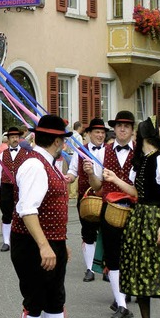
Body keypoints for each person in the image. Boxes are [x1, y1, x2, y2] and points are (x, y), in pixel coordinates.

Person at [102, 116, 160, 318]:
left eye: (137, 135)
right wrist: (115, 179)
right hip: (139, 220)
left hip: (157, 218)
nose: (135, 139)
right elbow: (135, 192)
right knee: (141, 274)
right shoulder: (141, 162)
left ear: (144, 137)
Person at [10, 115, 73, 318]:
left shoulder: (48, 163)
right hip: (32, 242)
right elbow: (27, 210)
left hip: (51, 241)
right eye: (63, 140)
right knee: (35, 298)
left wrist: (60, 243)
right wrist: (45, 246)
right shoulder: (36, 165)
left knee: (56, 297)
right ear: (57, 141)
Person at [84, 110, 136, 318]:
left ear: (132, 130)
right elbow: (97, 187)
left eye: (126, 126)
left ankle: (128, 291)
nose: (122, 129)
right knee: (113, 256)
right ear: (114, 129)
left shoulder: (140, 153)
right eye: (119, 125)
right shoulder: (103, 152)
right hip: (110, 209)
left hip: (134, 210)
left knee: (132, 254)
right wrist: (90, 174)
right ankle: (121, 304)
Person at [65, 118, 108, 282]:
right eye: (97, 132)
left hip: (106, 198)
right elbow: (73, 171)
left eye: (103, 132)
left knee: (106, 232)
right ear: (89, 134)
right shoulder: (80, 151)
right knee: (88, 233)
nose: (100, 135)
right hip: (86, 199)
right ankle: (90, 268)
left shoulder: (111, 151)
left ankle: (106, 267)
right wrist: (67, 178)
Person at [0, 127, 28, 252]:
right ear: (8, 139)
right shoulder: (3, 154)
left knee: (21, 213)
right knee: (6, 214)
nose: (15, 139)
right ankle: (6, 241)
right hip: (6, 186)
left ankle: (20, 240)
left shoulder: (26, 153)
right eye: (12, 137)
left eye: (17, 137)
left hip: (21, 187)